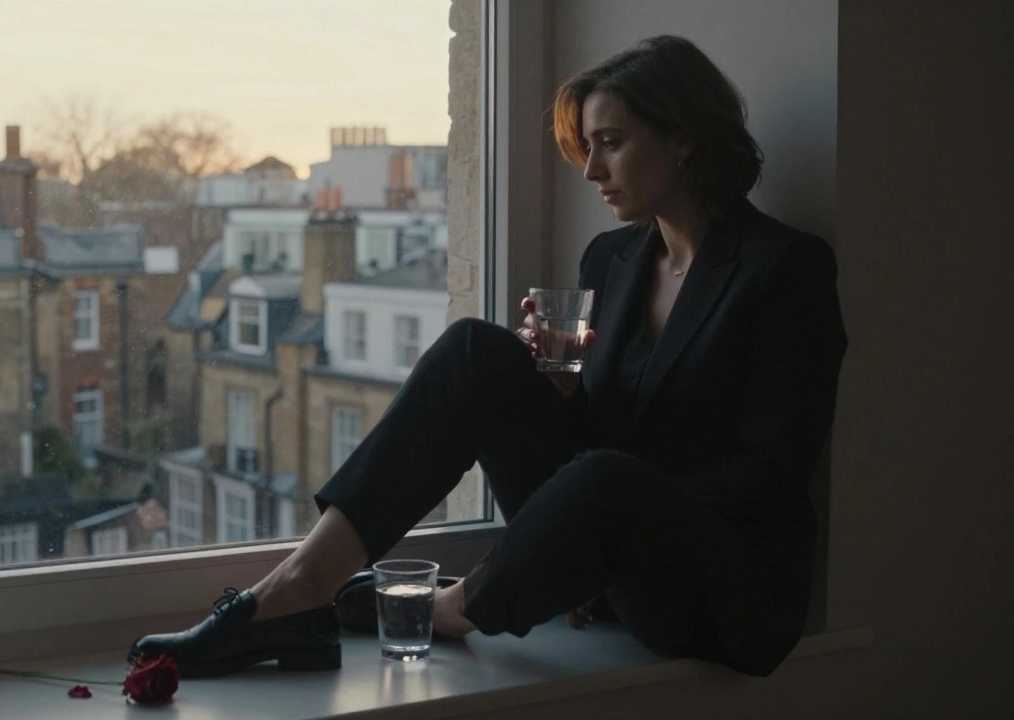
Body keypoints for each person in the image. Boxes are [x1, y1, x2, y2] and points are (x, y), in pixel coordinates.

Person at [128, 34, 847, 679]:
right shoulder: (615, 259)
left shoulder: (783, 270)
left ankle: (446, 609)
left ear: (685, 139)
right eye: (587, 147)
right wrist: (563, 388)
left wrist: (595, 531)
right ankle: (297, 589)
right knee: (476, 348)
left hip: (719, 586)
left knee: (606, 478)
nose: (592, 168)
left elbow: (771, 473)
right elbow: (607, 433)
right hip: (607, 563)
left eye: (612, 143)